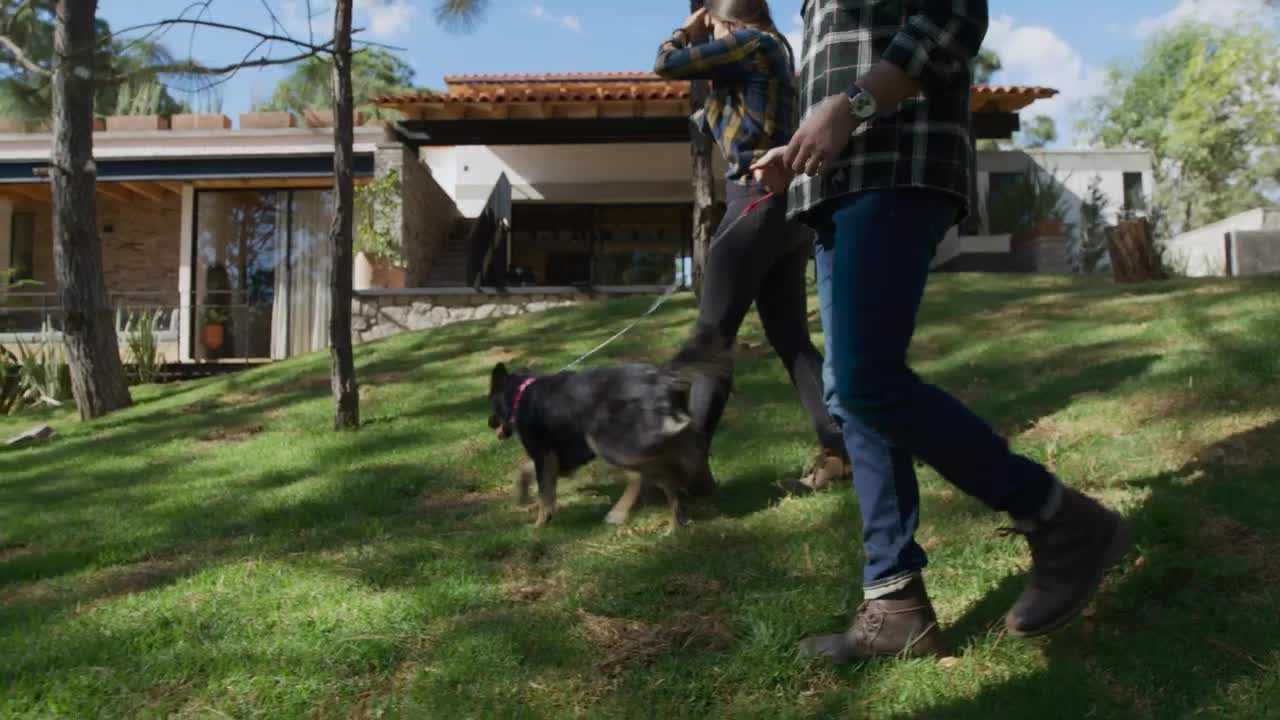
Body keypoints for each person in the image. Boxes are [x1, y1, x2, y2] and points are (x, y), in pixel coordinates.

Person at [750, 0, 1134, 659]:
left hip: (900, 164)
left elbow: (952, 18)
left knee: (869, 381)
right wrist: (805, 144)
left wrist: (848, 109)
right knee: (849, 393)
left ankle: (1060, 517)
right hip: (838, 184)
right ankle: (894, 602)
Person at [654, 0, 850, 493]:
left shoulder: (752, 43)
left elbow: (665, 64)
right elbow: (710, 119)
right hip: (784, 212)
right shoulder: (768, 55)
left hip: (755, 202)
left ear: (726, 22)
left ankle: (688, 468)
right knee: (791, 339)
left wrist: (685, 32)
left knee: (711, 338)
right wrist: (708, 64)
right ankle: (840, 452)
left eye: (712, 27)